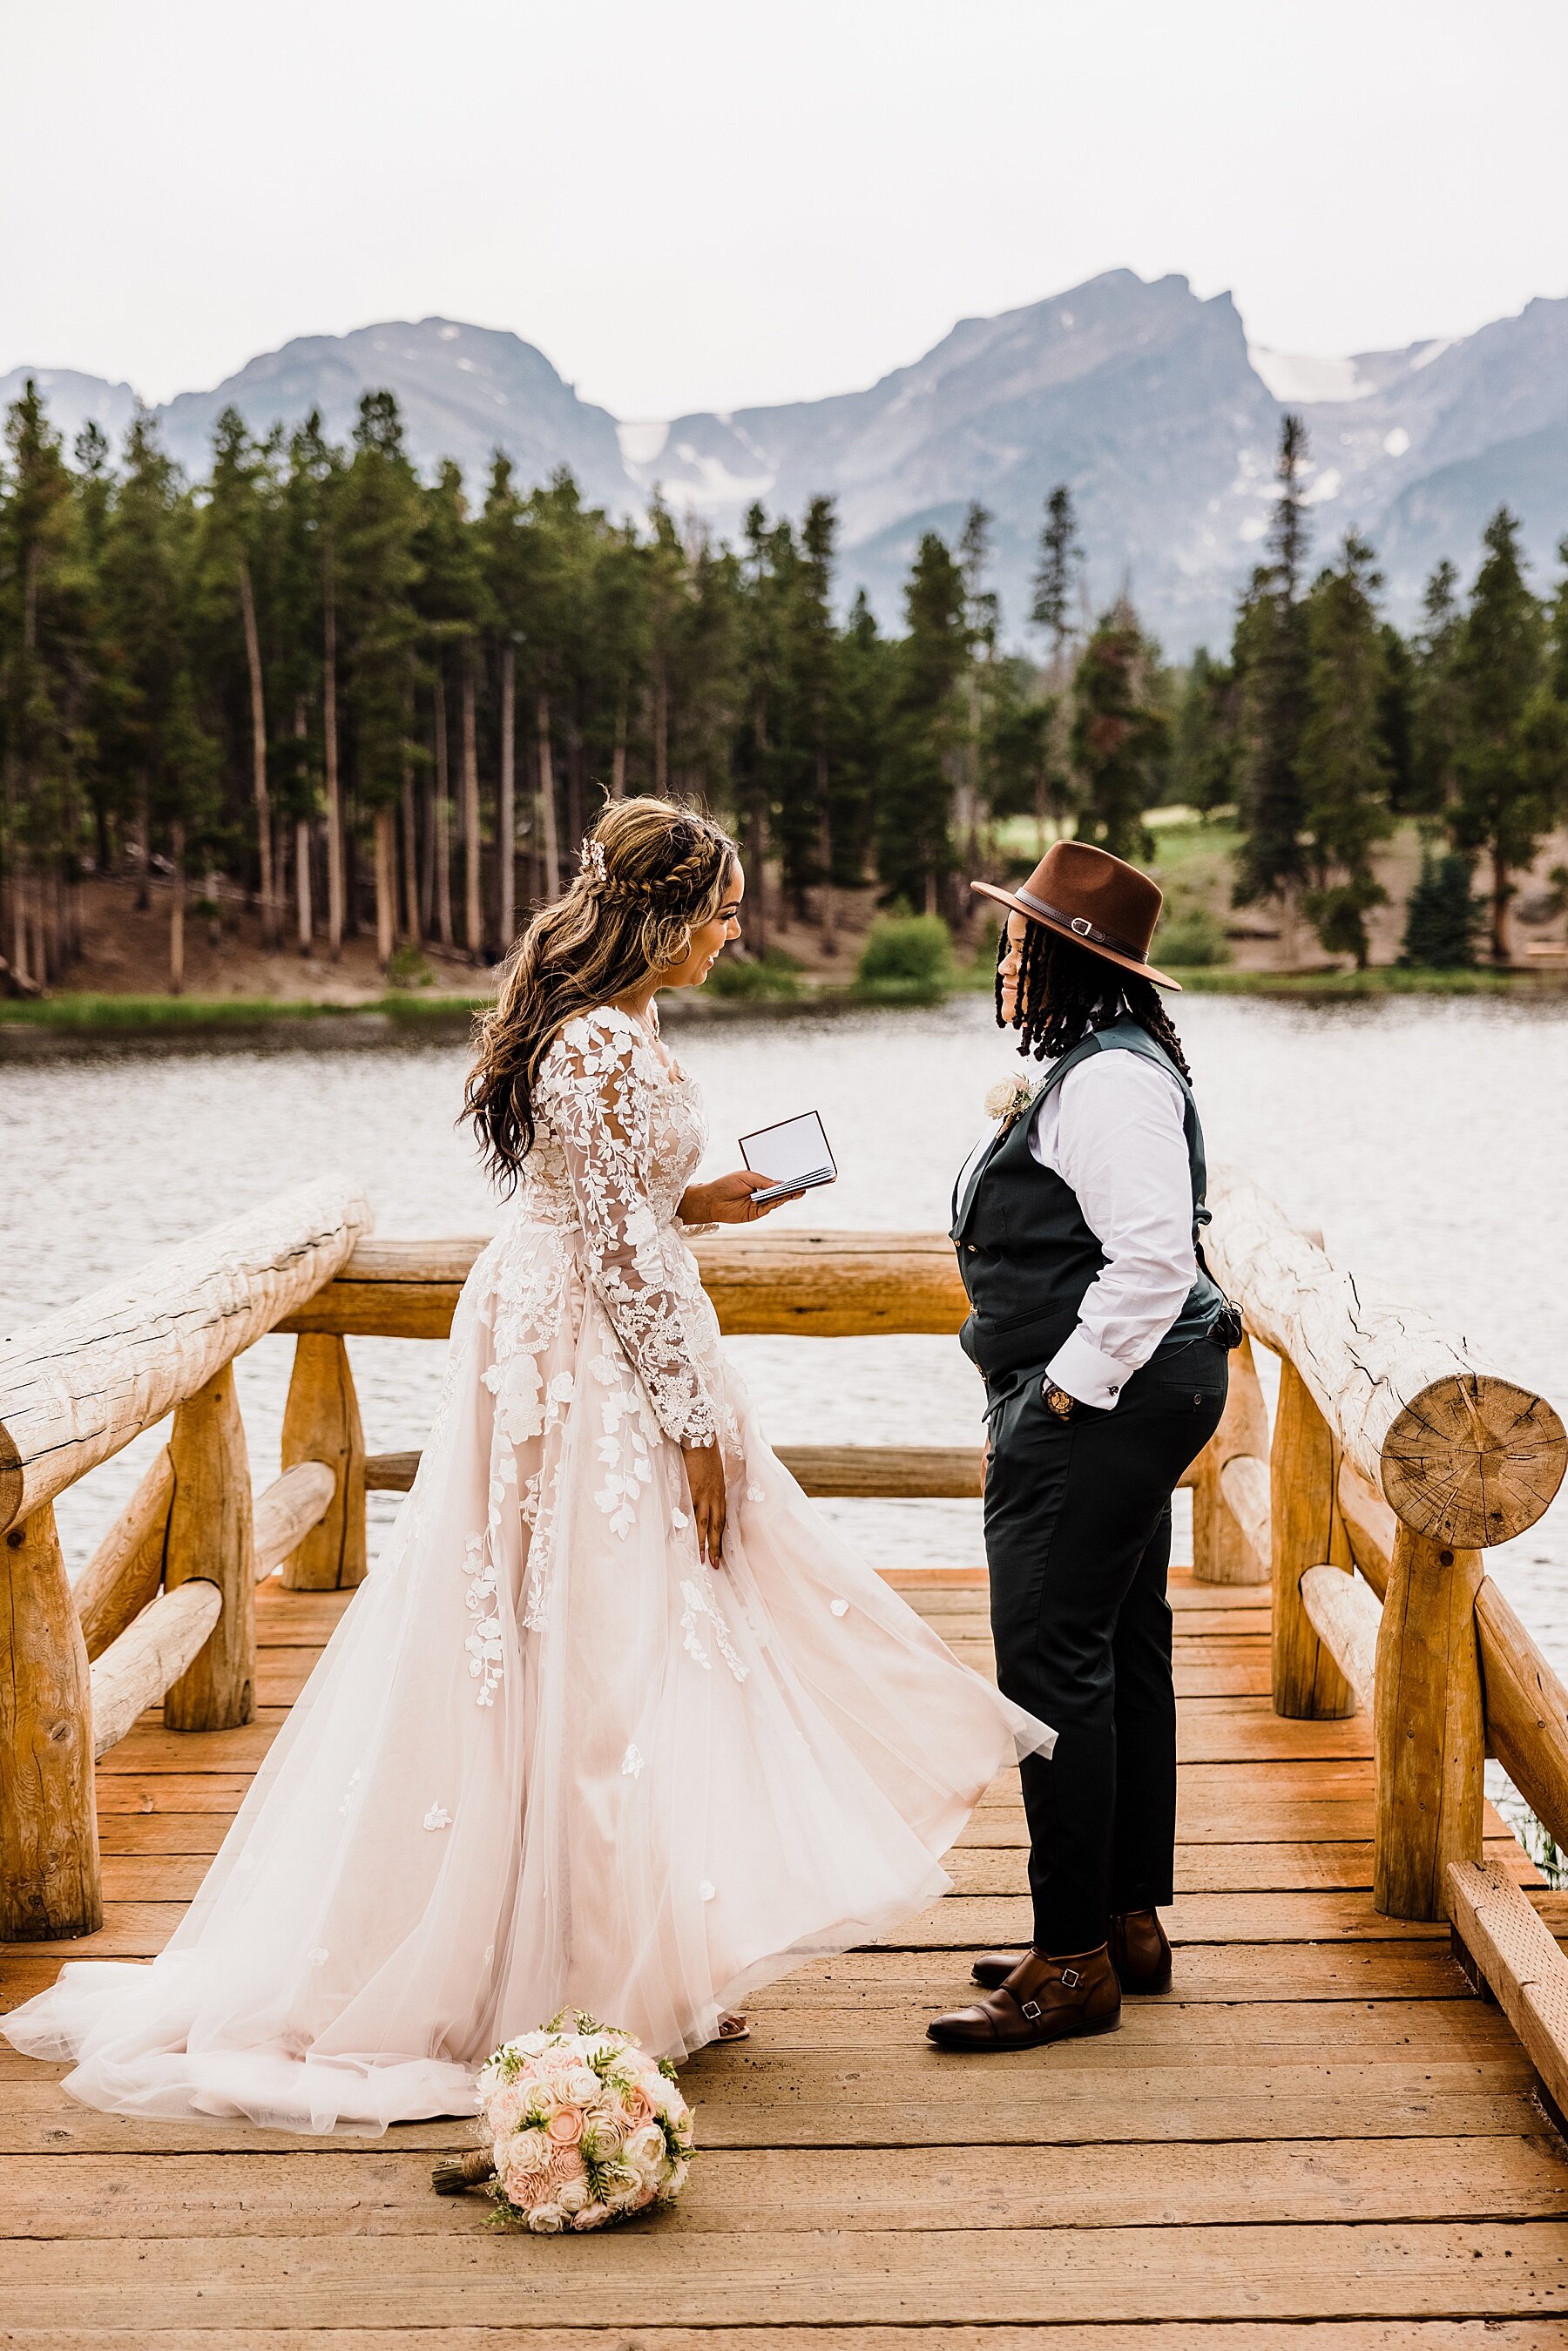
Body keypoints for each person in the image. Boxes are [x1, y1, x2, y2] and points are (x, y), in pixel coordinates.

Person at [3, 797, 1051, 2134]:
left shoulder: (623, 1028)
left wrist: (711, 1198)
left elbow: (618, 1206)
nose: (738, 934)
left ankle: (629, 1962)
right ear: (666, 918)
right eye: (725, 912)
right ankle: (577, 1984)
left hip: (586, 1327)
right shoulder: (599, 1045)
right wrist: (693, 1427)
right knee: (596, 1656)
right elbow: (611, 1254)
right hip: (585, 1365)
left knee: (632, 1649)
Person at [927, 839, 1233, 2055]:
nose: (1002, 961)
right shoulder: (1102, 1066)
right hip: (1140, 1394)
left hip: (1107, 1398)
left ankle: (1071, 1967)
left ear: (1060, 959)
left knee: (1050, 1668)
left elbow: (1152, 1256)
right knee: (1116, 1643)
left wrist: (1063, 1392)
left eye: (1015, 942)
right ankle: (1119, 1920)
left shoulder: (1106, 1083)